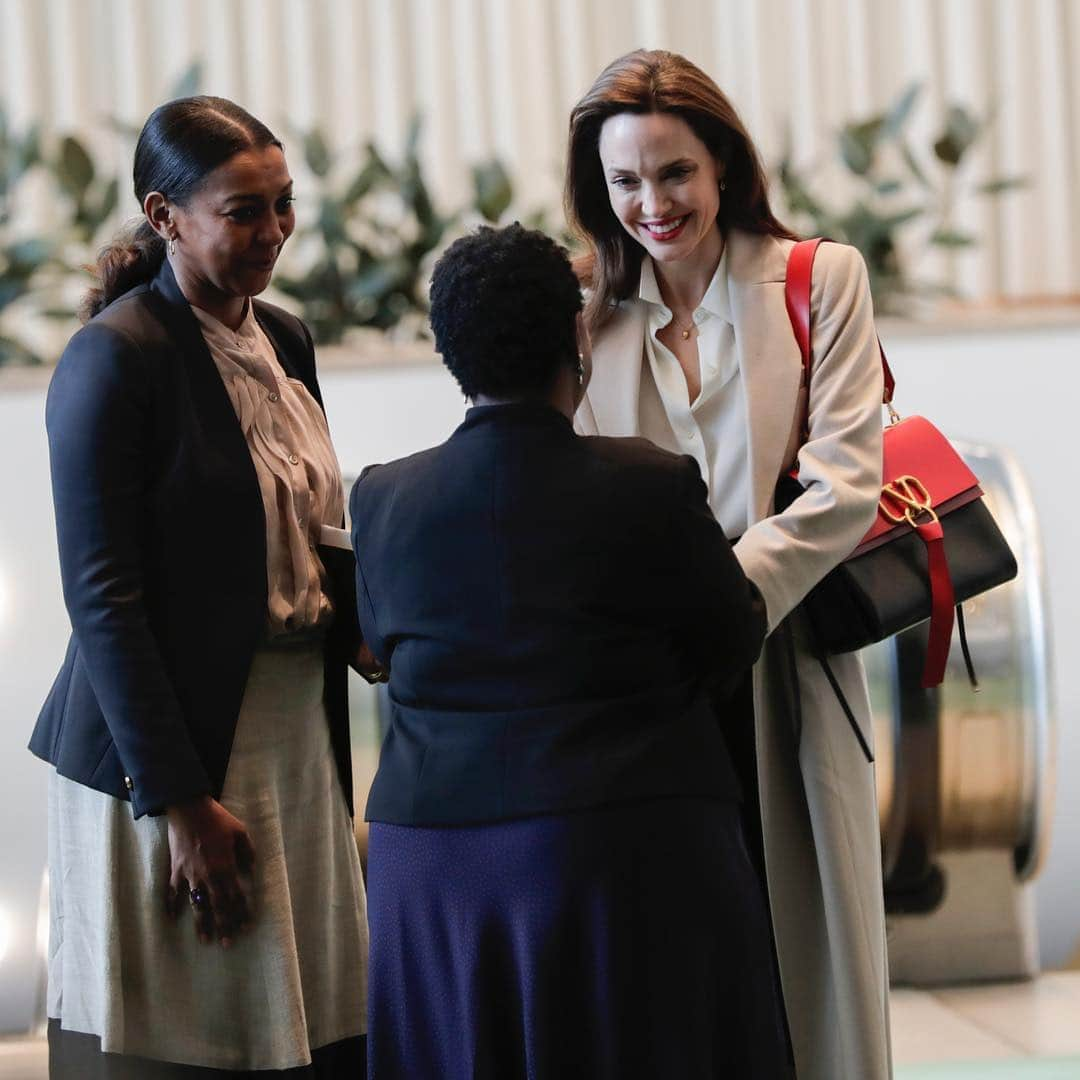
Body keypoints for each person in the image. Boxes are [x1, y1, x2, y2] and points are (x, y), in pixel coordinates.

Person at [351, 222, 789, 1079]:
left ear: (448, 351)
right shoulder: (649, 482)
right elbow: (732, 635)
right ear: (577, 334)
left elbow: (385, 653)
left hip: (435, 869)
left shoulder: (383, 498)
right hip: (624, 846)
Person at [566, 49, 891, 1080]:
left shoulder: (816, 278)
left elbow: (846, 482)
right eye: (625, 181)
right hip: (642, 699)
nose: (652, 203)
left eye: (675, 174)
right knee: (675, 977)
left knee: (813, 973)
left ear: (724, 169)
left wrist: (718, 607)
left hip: (785, 659)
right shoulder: (581, 310)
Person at [31, 96, 368, 1078]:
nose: (272, 233)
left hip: (291, 728)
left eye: (283, 205)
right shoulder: (117, 358)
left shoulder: (289, 340)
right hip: (166, 748)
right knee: (188, 1034)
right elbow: (103, 599)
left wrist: (363, 627)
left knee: (301, 1023)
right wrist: (179, 803)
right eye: (243, 211)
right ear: (164, 213)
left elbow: (310, 523)